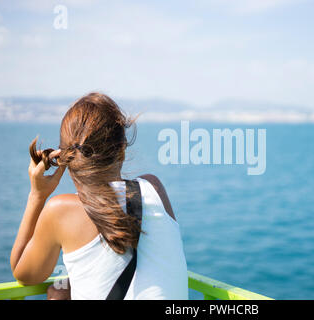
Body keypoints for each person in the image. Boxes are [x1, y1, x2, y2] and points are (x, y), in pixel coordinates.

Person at [10, 92, 188, 299]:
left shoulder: (60, 211)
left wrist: (37, 195)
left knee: (56, 293)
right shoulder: (154, 188)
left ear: (63, 158)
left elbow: (24, 274)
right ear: (121, 151)